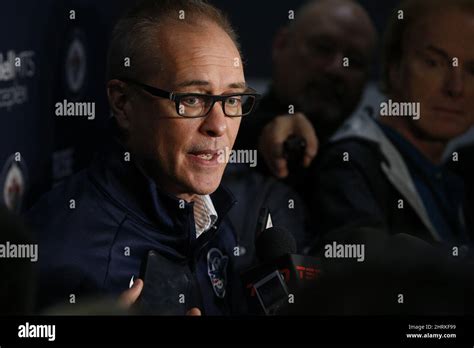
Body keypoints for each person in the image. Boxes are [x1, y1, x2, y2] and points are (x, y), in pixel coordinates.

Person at [26, 0, 261, 315]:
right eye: (191, 99)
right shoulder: (65, 256)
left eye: (232, 99)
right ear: (123, 103)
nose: (219, 126)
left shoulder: (213, 206)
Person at [309, 0, 474, 250]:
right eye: (434, 63)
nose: (455, 87)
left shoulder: (456, 175)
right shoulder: (349, 165)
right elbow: (369, 272)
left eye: (472, 70)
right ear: (393, 67)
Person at [236, 0, 377, 179]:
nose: (336, 69)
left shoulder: (371, 171)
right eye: (323, 48)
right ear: (281, 44)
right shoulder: (226, 142)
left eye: (355, 60)